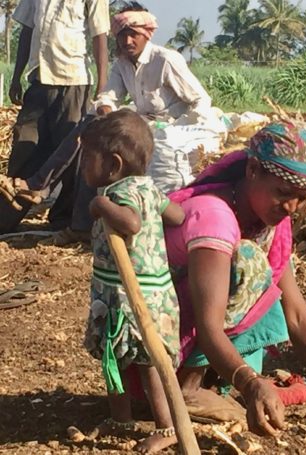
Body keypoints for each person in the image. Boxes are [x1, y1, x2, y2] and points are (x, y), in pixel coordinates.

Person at [149, 122, 306, 450]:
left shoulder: (264, 223)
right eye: (283, 193)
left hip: (191, 335)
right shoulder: (215, 217)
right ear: (252, 170)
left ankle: (207, 384)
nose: (291, 207)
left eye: (301, 199)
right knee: (251, 265)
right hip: (155, 358)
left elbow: (297, 315)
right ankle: (186, 388)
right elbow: (208, 328)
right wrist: (250, 384)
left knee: (268, 282)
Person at [0, 1, 214, 244]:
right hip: (146, 126)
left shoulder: (165, 60)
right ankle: (74, 220)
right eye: (122, 36)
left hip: (177, 129)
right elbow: (109, 96)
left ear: (146, 34)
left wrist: (173, 129)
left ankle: (39, 185)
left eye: (133, 35)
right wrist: (104, 106)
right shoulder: (122, 64)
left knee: (91, 138)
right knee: (89, 134)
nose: (127, 42)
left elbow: (201, 102)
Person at [81, 110, 185, 453]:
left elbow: (132, 223)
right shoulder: (149, 188)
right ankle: (120, 419)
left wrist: (100, 204)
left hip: (135, 298)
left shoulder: (119, 193)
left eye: (86, 158)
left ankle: (167, 427)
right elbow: (177, 215)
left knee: (148, 364)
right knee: (117, 357)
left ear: (113, 165)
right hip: (129, 292)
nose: (82, 166)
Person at [4, 0, 109, 231]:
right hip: (38, 79)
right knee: (24, 145)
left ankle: (63, 219)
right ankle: (6, 218)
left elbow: (99, 35)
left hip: (72, 81)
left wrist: (102, 87)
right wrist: (16, 76)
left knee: (71, 154)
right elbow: (27, 30)